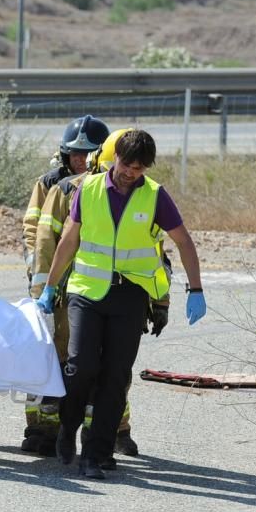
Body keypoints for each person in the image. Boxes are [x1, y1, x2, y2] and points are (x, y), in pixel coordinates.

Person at [39, 129, 206, 479]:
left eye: (141, 168)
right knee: (80, 366)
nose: (132, 172)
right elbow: (69, 238)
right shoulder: (89, 189)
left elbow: (183, 241)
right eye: (128, 164)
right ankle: (67, 429)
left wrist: (195, 289)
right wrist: (49, 286)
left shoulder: (156, 196)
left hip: (129, 296)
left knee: (116, 377)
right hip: (86, 291)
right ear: (115, 158)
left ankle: (95, 454)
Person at [19, 115, 110, 456]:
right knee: (46, 357)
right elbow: (36, 234)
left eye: (87, 155)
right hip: (53, 289)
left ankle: (112, 429)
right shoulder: (50, 185)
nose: (81, 160)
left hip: (91, 287)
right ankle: (41, 430)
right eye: (74, 154)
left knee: (96, 360)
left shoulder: (112, 189)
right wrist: (41, 285)